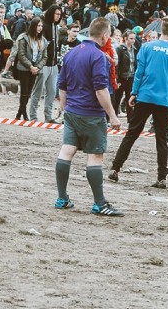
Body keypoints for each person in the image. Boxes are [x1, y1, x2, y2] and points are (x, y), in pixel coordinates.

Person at [54, 17, 124, 216]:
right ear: (104, 36)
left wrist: (65, 109)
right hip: (92, 115)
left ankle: (62, 198)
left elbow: (62, 86)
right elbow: (101, 90)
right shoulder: (98, 57)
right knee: (95, 157)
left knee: (66, 152)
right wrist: (112, 115)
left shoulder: (71, 53)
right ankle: (100, 204)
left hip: (72, 113)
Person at [108, 17, 168, 189]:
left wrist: (134, 92)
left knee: (132, 133)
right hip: (164, 101)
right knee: (162, 139)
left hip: (145, 96)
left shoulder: (147, 47)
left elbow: (139, 72)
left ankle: (115, 168)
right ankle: (161, 177)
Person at [29, 5, 62, 122]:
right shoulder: (45, 26)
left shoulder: (56, 27)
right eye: (56, 14)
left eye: (59, 14)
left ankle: (48, 116)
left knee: (52, 92)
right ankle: (33, 116)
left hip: (53, 64)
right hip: (44, 64)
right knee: (37, 91)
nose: (58, 16)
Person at [9, 18, 46, 120]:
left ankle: (19, 113)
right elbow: (21, 54)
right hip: (24, 68)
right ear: (33, 26)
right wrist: (30, 66)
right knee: (24, 91)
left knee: (29, 92)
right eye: (38, 26)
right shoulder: (24, 38)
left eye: (41, 26)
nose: (40, 28)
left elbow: (44, 57)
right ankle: (24, 114)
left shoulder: (42, 40)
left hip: (35, 69)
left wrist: (37, 67)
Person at [114, 30, 137, 116]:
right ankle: (114, 115)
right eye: (131, 38)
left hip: (131, 76)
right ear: (125, 38)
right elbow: (117, 65)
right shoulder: (120, 49)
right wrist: (117, 78)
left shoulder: (133, 49)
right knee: (118, 97)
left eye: (134, 39)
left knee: (129, 97)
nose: (133, 40)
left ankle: (130, 118)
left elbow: (134, 63)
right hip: (122, 77)